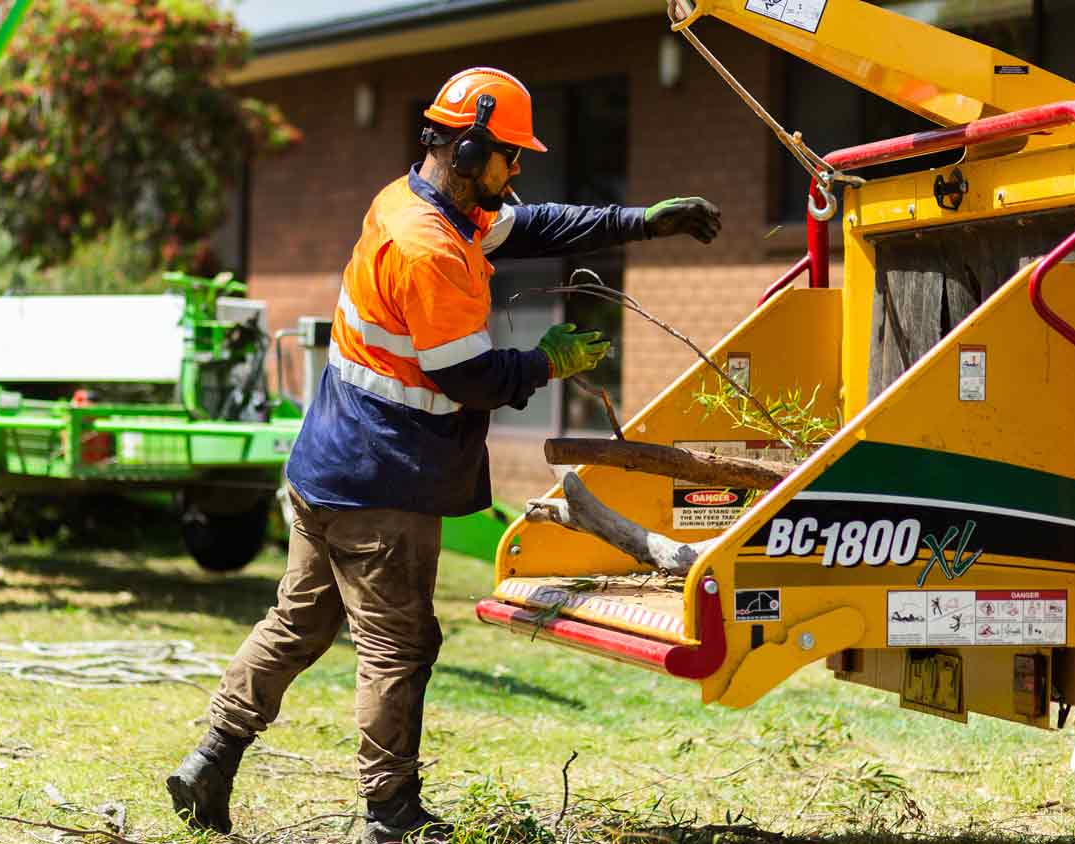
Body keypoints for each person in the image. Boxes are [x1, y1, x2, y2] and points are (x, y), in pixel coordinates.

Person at [166, 66, 721, 844]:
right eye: (508, 156)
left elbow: (534, 227)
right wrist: (547, 362)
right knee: (399, 647)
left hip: (327, 466)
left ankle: (209, 762)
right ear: (466, 151)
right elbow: (465, 376)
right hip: (383, 481)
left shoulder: (412, 203)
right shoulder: (433, 250)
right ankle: (390, 817)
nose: (518, 170)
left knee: (296, 624)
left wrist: (639, 223)